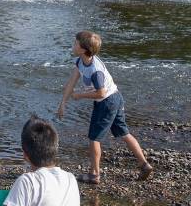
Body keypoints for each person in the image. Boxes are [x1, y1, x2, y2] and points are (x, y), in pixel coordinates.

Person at [57, 30, 153, 185]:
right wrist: (63, 103)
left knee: (94, 138)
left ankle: (94, 174)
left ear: (83, 49)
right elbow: (71, 82)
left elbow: (101, 92)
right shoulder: (81, 62)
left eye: (75, 43)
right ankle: (144, 165)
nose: (73, 45)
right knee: (124, 133)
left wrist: (80, 95)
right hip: (115, 97)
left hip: (107, 102)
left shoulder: (95, 71)